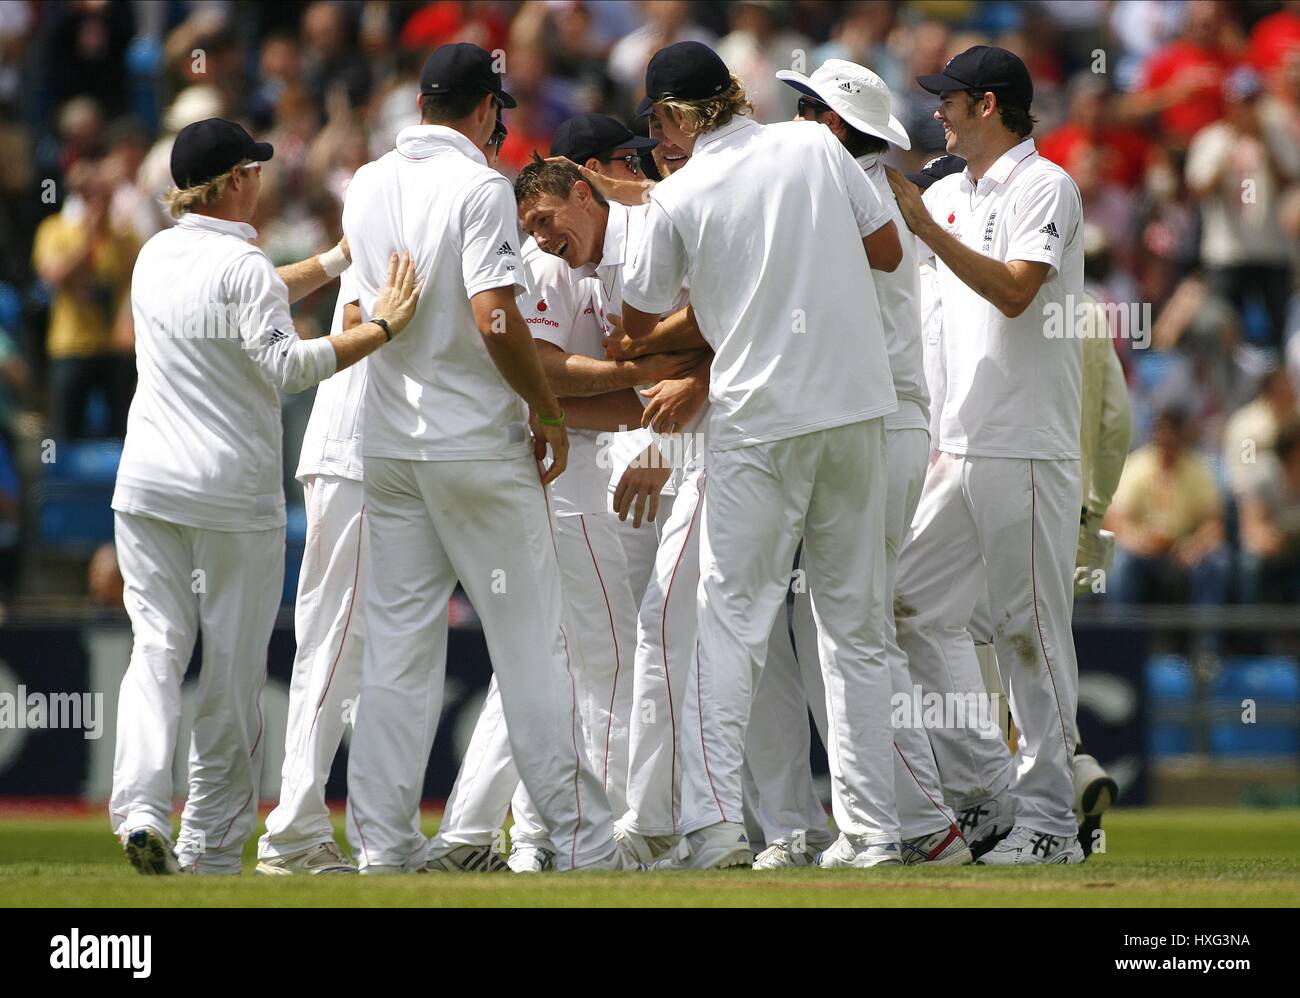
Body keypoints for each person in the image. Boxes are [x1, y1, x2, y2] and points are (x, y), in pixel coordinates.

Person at [110, 117, 421, 875]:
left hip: (146, 487)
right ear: (238, 182)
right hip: (229, 498)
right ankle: (211, 846)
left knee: (155, 652)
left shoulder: (154, 257)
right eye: (256, 169)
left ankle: (141, 809)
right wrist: (379, 329)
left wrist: (338, 259)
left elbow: (250, 297)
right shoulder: (242, 269)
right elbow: (284, 365)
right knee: (233, 671)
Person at [620, 41, 904, 870]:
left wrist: (736, 294)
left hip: (758, 421)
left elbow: (638, 329)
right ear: (734, 95)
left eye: (659, 122)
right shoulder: (816, 142)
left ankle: (712, 830)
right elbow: (884, 252)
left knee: (731, 624)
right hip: (856, 410)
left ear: (673, 117)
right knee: (854, 630)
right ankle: (873, 834)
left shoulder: (677, 197)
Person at [339, 44, 623, 873]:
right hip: (474, 447)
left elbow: (367, 307)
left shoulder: (365, 183)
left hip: (388, 445)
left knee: (395, 651)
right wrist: (544, 408)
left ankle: (385, 847)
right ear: (487, 110)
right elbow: (498, 319)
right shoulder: (477, 188)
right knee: (533, 644)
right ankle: (579, 842)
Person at [254, 99, 513, 880]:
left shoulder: (381, 198)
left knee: (362, 645)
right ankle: (295, 834)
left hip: (374, 453)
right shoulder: (439, 201)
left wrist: (336, 261)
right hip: (360, 452)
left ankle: (357, 834)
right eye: (491, 130)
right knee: (338, 641)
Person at [426, 146, 703, 873]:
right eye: (531, 223)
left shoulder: (597, 265)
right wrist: (640, 384)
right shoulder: (550, 265)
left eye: (544, 220)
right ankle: (599, 838)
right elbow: (544, 376)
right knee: (606, 666)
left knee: (551, 667)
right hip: (568, 484)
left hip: (568, 477)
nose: (540, 237)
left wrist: (641, 398)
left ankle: (493, 835)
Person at [743, 59, 968, 869]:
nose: (797, 123)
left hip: (878, 423)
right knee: (836, 631)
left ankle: (916, 825)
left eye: (807, 109)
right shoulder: (851, 182)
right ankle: (874, 823)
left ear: (835, 126)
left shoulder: (845, 186)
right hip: (867, 422)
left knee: (853, 635)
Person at [884, 44, 1087, 864]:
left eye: (951, 100)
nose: (939, 111)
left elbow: (1013, 290)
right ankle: (993, 797)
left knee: (1028, 631)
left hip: (1027, 443)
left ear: (990, 105)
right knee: (905, 606)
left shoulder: (1047, 185)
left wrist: (925, 223)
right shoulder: (952, 191)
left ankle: (1053, 827)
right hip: (962, 447)